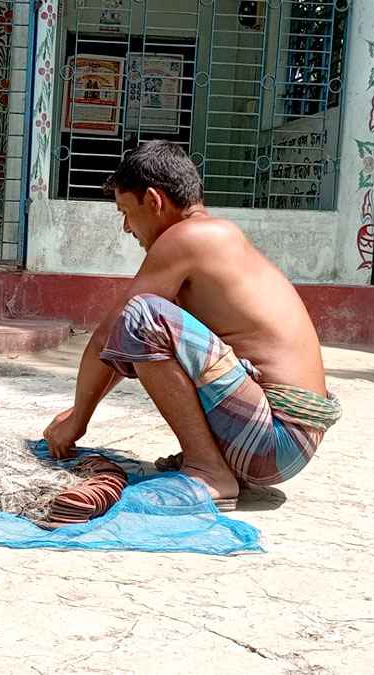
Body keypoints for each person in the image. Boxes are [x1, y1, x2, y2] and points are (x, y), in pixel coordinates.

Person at [42, 141, 342, 510]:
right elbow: (122, 348)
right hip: (281, 442)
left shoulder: (187, 238)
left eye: (125, 211)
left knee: (142, 314)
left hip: (275, 440)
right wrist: (79, 412)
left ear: (153, 200)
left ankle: (209, 472)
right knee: (145, 320)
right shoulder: (213, 236)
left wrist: (78, 419)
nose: (125, 227)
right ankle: (216, 463)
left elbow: (113, 331)